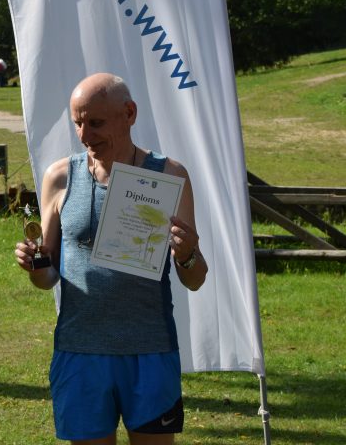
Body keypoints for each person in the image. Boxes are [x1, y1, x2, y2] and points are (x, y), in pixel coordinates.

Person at [14, 73, 208, 445]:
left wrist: (186, 254)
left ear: (129, 113)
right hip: (79, 351)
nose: (85, 135)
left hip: (150, 350)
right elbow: (47, 278)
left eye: (96, 123)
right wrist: (35, 263)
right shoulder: (59, 177)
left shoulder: (169, 175)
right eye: (78, 123)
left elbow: (195, 278)